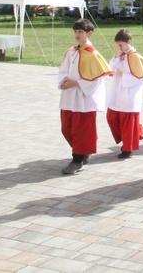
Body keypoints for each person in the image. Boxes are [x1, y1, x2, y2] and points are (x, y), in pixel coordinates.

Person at [58, 19, 111, 175]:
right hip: (69, 96)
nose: (77, 35)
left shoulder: (93, 55)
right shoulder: (71, 51)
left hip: (83, 98)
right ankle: (82, 152)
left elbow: (96, 79)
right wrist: (64, 81)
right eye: (75, 31)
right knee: (66, 128)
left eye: (80, 32)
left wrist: (77, 83)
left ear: (89, 33)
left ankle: (77, 160)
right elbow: (63, 70)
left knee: (81, 130)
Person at [106, 28, 143, 159]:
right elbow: (109, 68)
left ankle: (128, 148)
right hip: (117, 92)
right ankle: (136, 133)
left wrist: (123, 75)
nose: (119, 47)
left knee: (128, 122)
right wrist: (116, 55)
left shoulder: (135, 57)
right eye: (117, 45)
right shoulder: (119, 55)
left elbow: (140, 77)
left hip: (129, 94)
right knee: (111, 117)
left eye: (121, 44)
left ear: (129, 42)